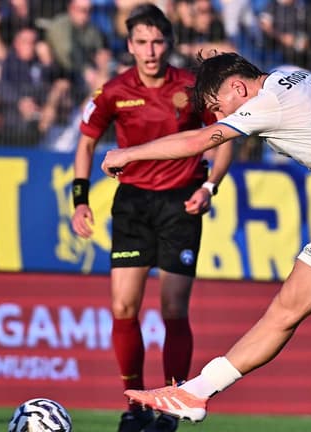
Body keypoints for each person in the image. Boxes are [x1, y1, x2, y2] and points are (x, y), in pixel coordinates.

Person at [103, 52, 311, 432]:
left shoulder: (269, 100)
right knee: (283, 312)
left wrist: (129, 154)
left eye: (218, 107)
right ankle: (195, 392)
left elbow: (201, 140)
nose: (219, 117)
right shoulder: (294, 78)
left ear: (237, 87)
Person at [69, 4, 233, 432]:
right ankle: (134, 403)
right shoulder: (113, 90)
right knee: (124, 308)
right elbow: (86, 144)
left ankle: (172, 402)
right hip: (133, 205)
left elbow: (226, 137)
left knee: (173, 310)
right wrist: (80, 200)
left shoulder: (192, 87)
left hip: (181, 205)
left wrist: (209, 186)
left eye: (157, 41)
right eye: (141, 42)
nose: (150, 50)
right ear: (130, 46)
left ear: (169, 43)